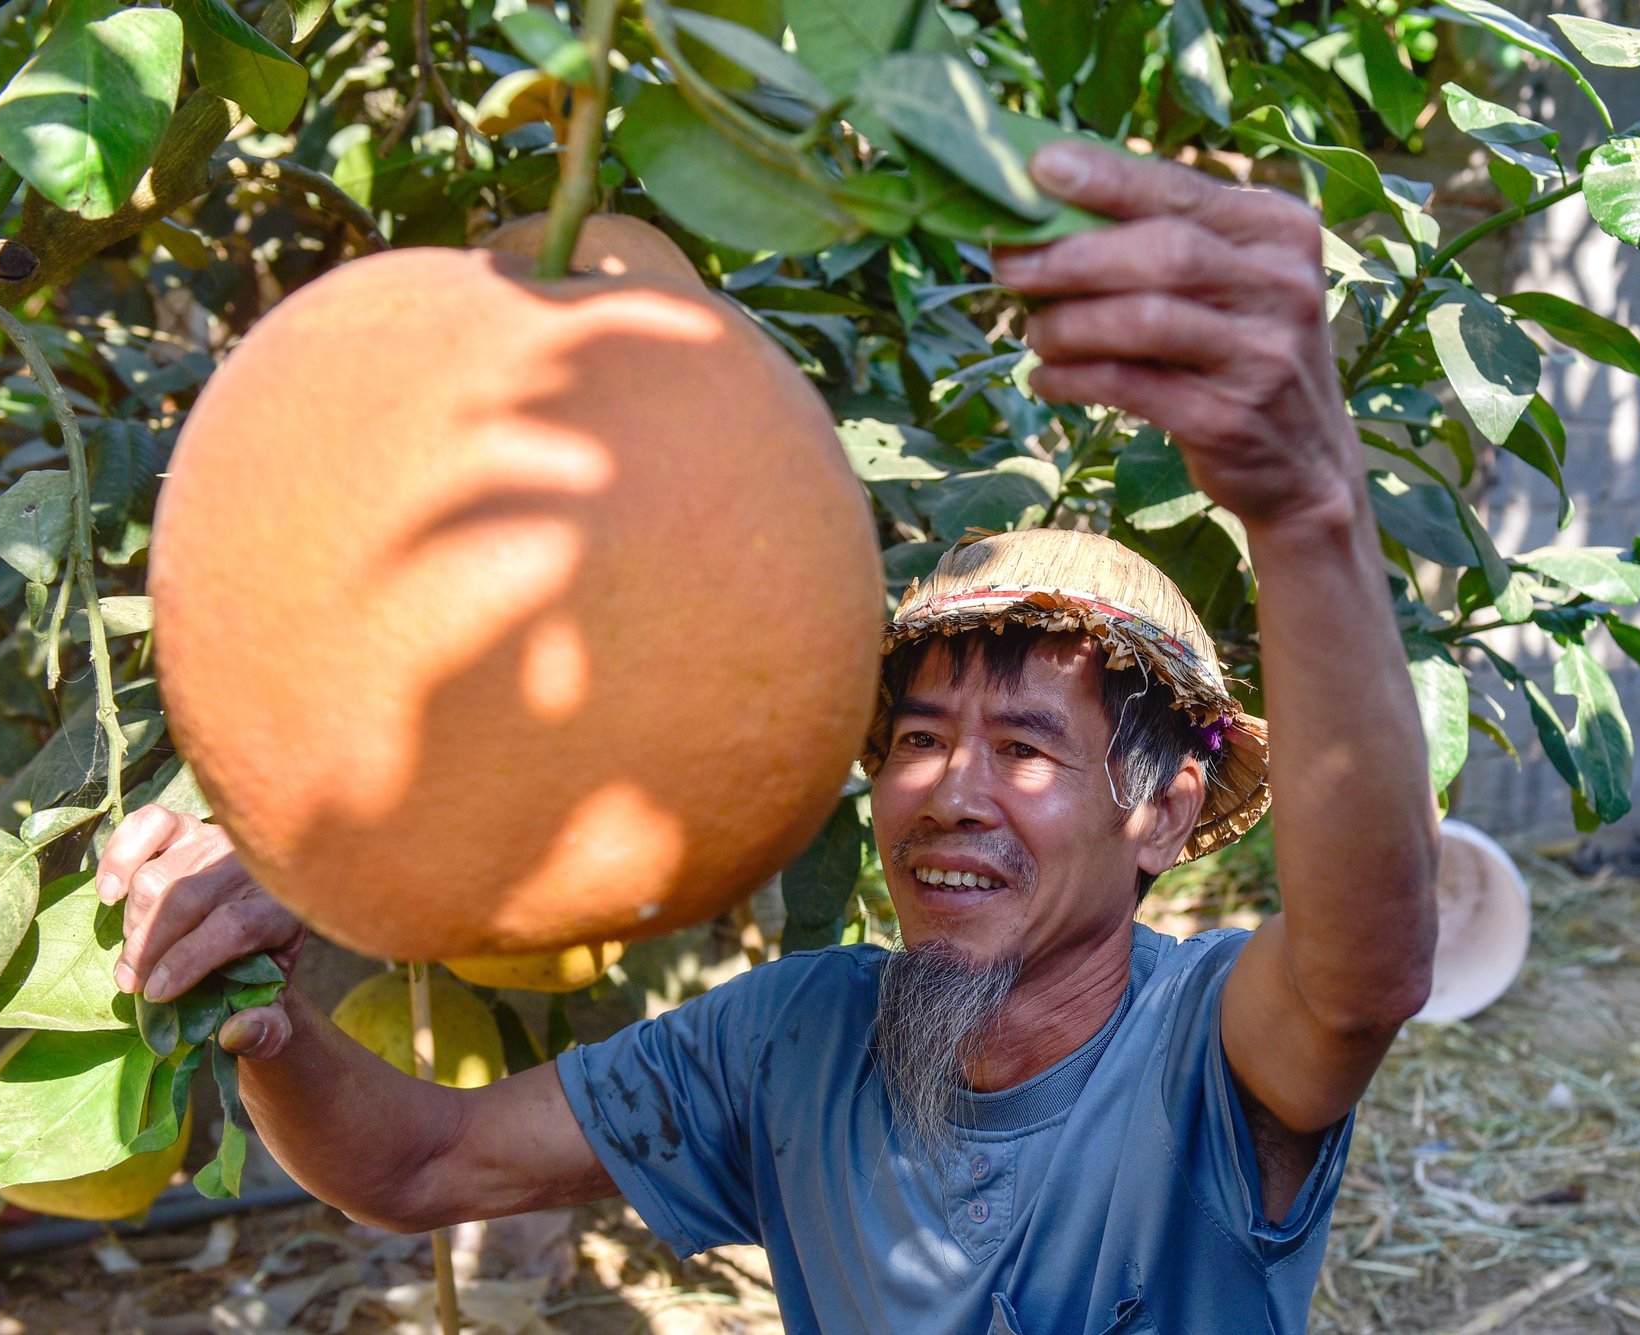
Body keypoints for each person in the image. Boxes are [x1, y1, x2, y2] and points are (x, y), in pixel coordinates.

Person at [99, 141, 1438, 1334]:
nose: (951, 793)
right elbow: (423, 1167)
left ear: (1159, 807)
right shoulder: (799, 1039)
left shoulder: (1206, 1049)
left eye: (1025, 749)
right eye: (916, 739)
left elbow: (1361, 972)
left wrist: (1308, 509)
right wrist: (262, 1017)